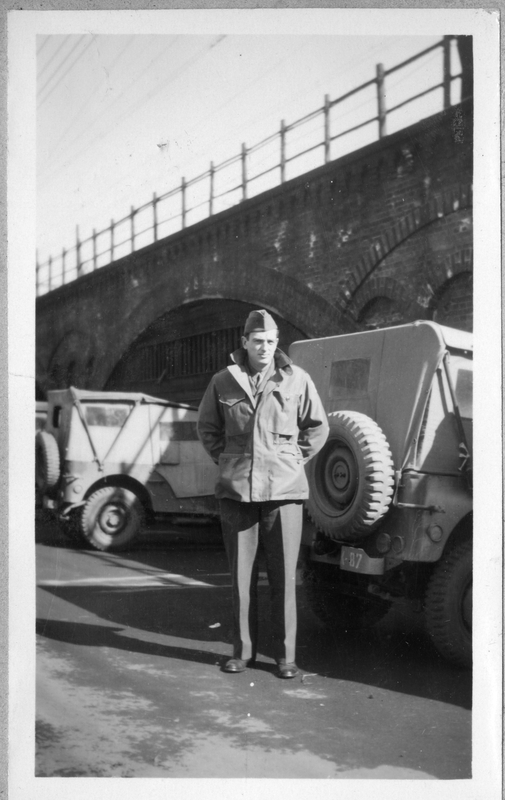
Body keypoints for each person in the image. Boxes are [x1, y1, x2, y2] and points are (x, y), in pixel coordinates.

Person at [197, 309, 329, 678]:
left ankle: (285, 658)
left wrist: (291, 459)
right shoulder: (223, 381)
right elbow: (207, 428)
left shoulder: (297, 379)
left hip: (283, 492)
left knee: (284, 578)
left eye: (271, 341)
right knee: (242, 580)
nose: (265, 348)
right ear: (245, 343)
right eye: (258, 341)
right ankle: (243, 653)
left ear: (277, 343)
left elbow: (318, 428)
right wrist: (228, 462)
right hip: (237, 492)